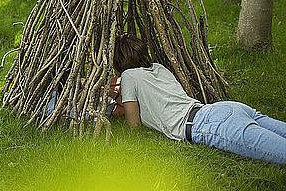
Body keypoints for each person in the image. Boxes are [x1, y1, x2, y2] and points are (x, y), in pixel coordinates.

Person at [115, 33, 286, 165]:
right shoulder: (158, 68)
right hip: (220, 109)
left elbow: (134, 125)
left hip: (207, 125)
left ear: (119, 61)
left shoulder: (128, 76)